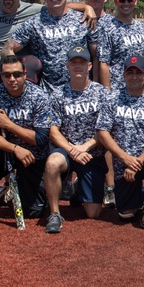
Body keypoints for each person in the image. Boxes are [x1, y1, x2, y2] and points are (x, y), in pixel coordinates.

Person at [0, 54, 54, 235]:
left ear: (25, 74)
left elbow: (40, 138)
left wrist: (9, 125)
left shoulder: (39, 96)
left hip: (32, 156)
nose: (12, 79)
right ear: (1, 76)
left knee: (33, 211)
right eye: (7, 75)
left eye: (16, 74)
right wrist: (15, 148)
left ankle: (10, 191)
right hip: (6, 152)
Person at [96, 54, 144, 239]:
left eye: (139, 72)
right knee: (125, 214)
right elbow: (102, 132)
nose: (134, 76)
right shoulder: (112, 99)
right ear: (124, 75)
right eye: (130, 72)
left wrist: (136, 161)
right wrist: (124, 158)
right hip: (123, 164)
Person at [42, 45, 112, 233]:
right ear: (67, 66)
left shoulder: (102, 93)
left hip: (92, 154)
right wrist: (73, 150)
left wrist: (85, 147)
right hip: (66, 150)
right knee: (52, 163)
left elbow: (106, 128)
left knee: (93, 213)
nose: (78, 66)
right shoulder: (57, 94)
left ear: (90, 66)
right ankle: (55, 213)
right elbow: (53, 131)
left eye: (82, 62)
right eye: (74, 63)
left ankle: (78, 188)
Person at [95, 0, 144, 207]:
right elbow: (104, 62)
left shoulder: (140, 28)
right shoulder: (108, 26)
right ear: (115, 1)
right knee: (112, 137)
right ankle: (110, 186)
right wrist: (107, 91)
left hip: (138, 89)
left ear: (135, 1)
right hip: (116, 90)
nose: (126, 3)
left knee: (138, 135)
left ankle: (141, 185)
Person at [6, 0, 94, 90]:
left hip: (81, 93)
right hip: (48, 93)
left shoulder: (83, 19)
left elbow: (97, 57)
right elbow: (8, 47)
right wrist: (14, 68)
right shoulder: (34, 23)